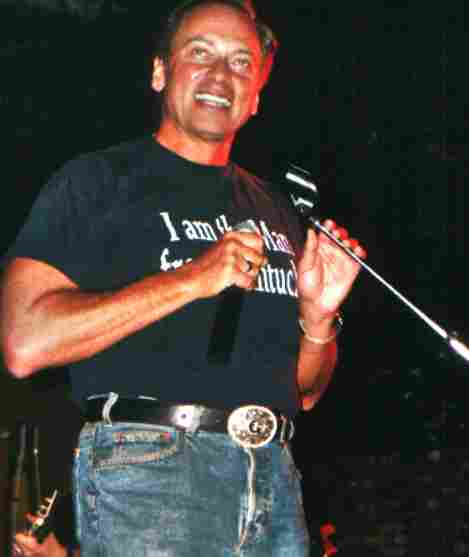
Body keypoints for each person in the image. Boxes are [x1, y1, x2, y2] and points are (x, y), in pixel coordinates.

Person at [1, 0, 366, 555]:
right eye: (200, 52)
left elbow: (304, 392)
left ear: (256, 96)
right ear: (159, 72)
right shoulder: (97, 181)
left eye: (241, 62)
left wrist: (318, 318)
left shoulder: (276, 209)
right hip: (151, 476)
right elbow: (25, 342)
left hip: (274, 480)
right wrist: (195, 278)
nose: (221, 74)